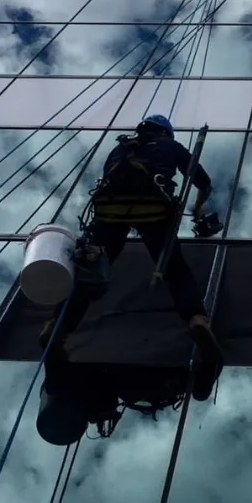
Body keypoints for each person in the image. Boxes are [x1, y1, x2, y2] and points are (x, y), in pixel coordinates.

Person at [39, 113, 223, 401]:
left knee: (91, 271)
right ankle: (196, 319)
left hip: (110, 210)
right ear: (166, 132)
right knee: (174, 269)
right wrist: (198, 210)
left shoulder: (121, 147)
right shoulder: (170, 146)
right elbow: (203, 181)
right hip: (153, 207)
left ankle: (57, 325)